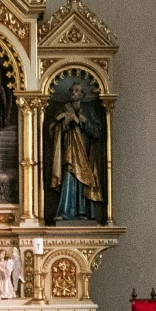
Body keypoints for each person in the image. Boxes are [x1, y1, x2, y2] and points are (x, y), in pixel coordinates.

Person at [47, 85, 107, 223]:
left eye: (77, 90)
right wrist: (63, 123)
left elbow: (97, 132)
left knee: (84, 180)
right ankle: (65, 211)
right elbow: (53, 131)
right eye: (71, 90)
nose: (73, 93)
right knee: (69, 176)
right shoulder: (63, 108)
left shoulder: (88, 110)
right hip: (69, 152)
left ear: (82, 94)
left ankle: (83, 212)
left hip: (85, 154)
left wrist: (81, 121)